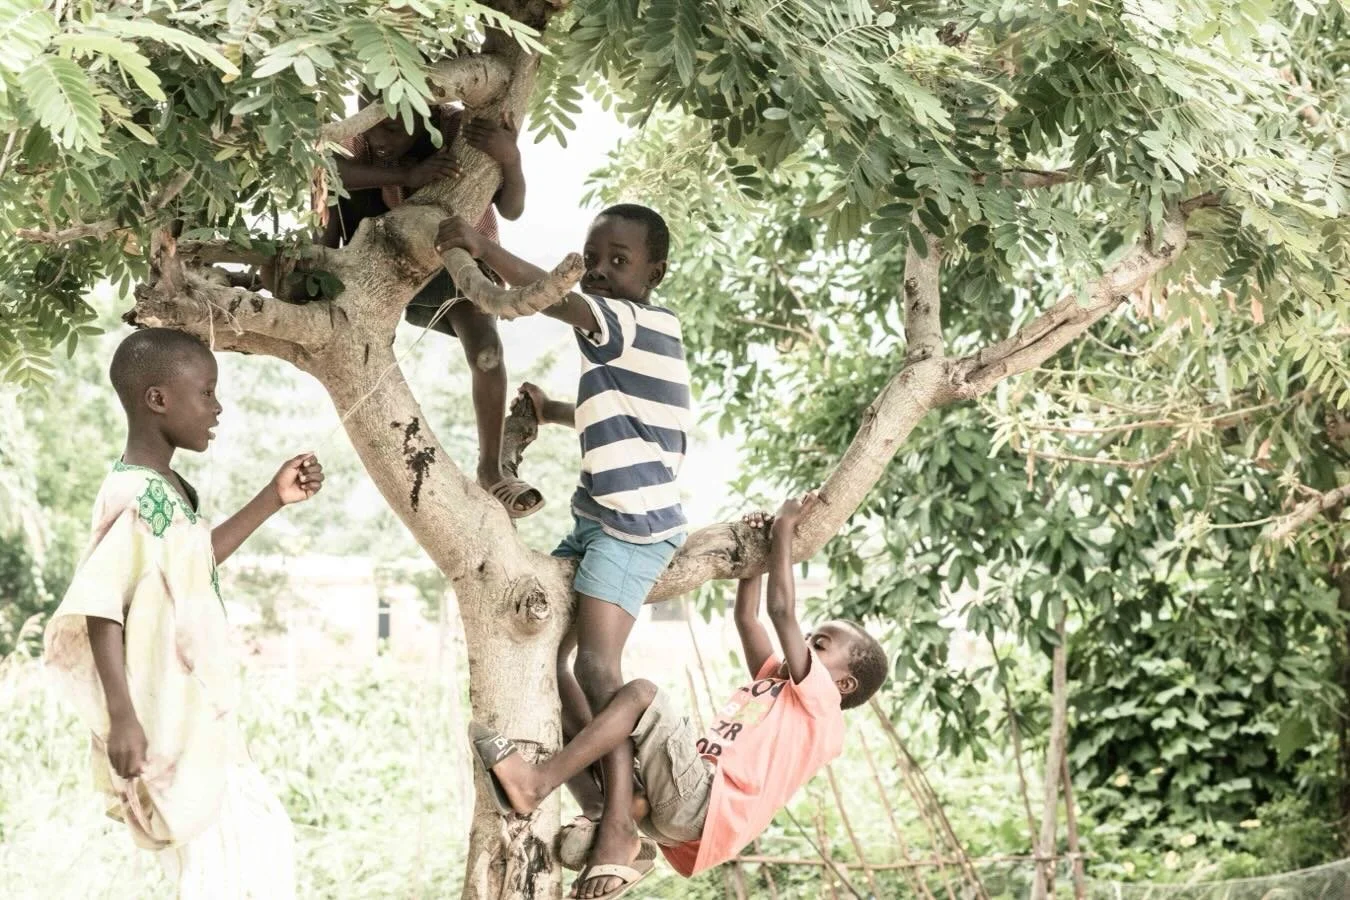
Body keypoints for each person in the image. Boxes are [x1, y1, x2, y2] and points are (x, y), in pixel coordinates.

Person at [438, 203, 691, 899]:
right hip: (598, 518)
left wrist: (478, 248)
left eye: (619, 261)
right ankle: (601, 801)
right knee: (547, 651)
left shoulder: (632, 321)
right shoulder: (638, 339)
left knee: (597, 667)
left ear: (654, 272)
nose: (603, 274)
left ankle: (613, 822)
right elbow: (632, 418)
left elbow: (563, 302)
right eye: (593, 258)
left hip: (632, 525)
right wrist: (549, 412)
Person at [469, 493, 889, 898]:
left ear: (843, 684)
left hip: (702, 804)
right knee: (569, 693)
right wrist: (755, 555)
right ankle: (611, 814)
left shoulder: (822, 708)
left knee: (640, 696)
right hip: (676, 809)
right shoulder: (776, 683)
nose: (806, 643)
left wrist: (784, 530)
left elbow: (781, 612)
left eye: (819, 645)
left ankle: (537, 783)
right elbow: (748, 619)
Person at [43, 328, 325, 899]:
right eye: (207, 392)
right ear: (157, 399)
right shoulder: (131, 492)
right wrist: (123, 716)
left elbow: (196, 563)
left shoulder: (166, 491)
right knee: (230, 861)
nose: (217, 407)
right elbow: (101, 606)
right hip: (162, 719)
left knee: (252, 848)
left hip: (198, 719)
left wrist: (273, 498)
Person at [319, 103, 542, 518]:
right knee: (336, 195)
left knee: (487, 354)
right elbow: (329, 172)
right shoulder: (363, 138)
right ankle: (320, 275)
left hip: (460, 261)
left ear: (425, 111)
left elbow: (511, 209)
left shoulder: (458, 129)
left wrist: (511, 158)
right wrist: (405, 175)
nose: (381, 140)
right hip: (389, 257)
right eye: (375, 126)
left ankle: (490, 469)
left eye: (392, 127)